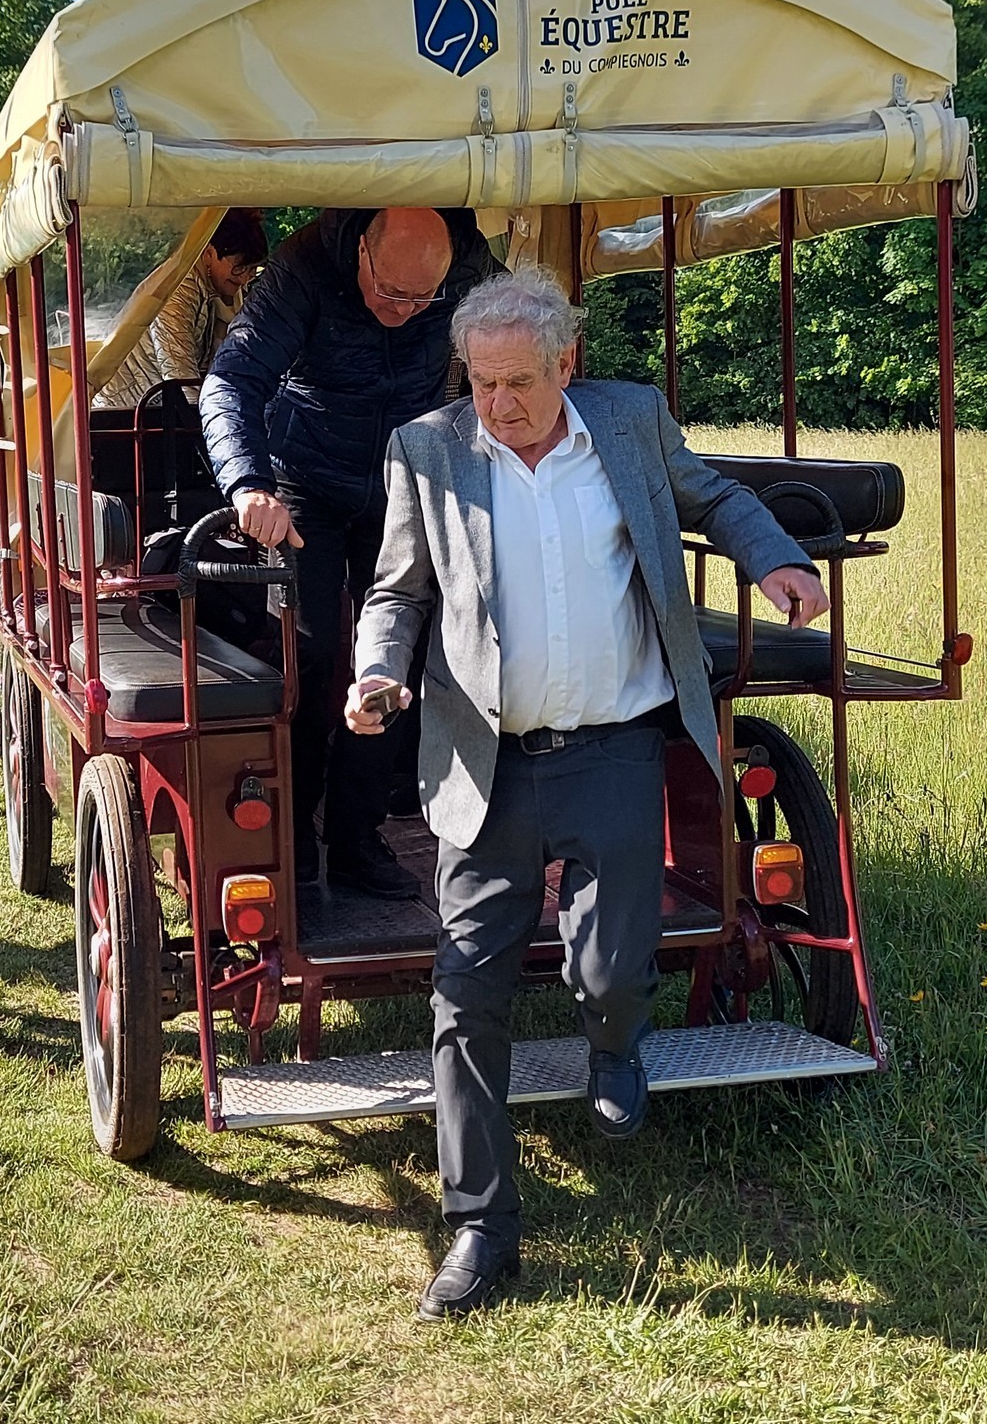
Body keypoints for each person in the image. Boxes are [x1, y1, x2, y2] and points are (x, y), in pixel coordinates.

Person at [344, 269, 831, 1320]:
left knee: (614, 967)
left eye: (519, 381)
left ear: (568, 363)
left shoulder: (630, 422)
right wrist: (376, 670)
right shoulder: (426, 449)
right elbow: (398, 589)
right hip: (489, 758)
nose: (498, 405)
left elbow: (720, 498)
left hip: (614, 747)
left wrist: (774, 560)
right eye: (481, 383)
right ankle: (479, 1228)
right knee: (466, 992)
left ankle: (616, 1043)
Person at [199, 206, 500, 912]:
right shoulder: (302, 267)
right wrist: (249, 483)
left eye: (420, 301)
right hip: (303, 479)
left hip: (408, 477)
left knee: (400, 653)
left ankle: (360, 834)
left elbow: (526, 336)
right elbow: (230, 381)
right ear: (361, 250)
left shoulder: (470, 263)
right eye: (389, 293)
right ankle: (297, 832)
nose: (401, 312)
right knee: (310, 651)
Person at [90, 208, 268, 408]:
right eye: (239, 267)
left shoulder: (213, 289)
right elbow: (179, 373)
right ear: (209, 253)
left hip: (148, 406)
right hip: (123, 412)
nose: (244, 279)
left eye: (252, 269)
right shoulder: (178, 290)